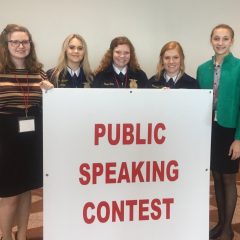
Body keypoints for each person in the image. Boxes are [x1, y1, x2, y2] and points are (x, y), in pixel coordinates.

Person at [0, 24, 53, 240]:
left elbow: (45, 103)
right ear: (6, 44)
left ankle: (21, 235)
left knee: (26, 192)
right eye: (15, 42)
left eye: (25, 42)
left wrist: (49, 90)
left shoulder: (38, 71)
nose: (21, 46)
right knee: (9, 195)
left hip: (32, 138)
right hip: (5, 138)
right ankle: (6, 235)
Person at [197, 24, 240, 240]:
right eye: (216, 38)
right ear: (211, 40)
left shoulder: (239, 67)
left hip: (230, 130)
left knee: (228, 180)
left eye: (225, 39)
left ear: (231, 41)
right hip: (209, 130)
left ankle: (229, 229)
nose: (220, 43)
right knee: (215, 175)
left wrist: (239, 139)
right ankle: (221, 224)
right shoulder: (202, 69)